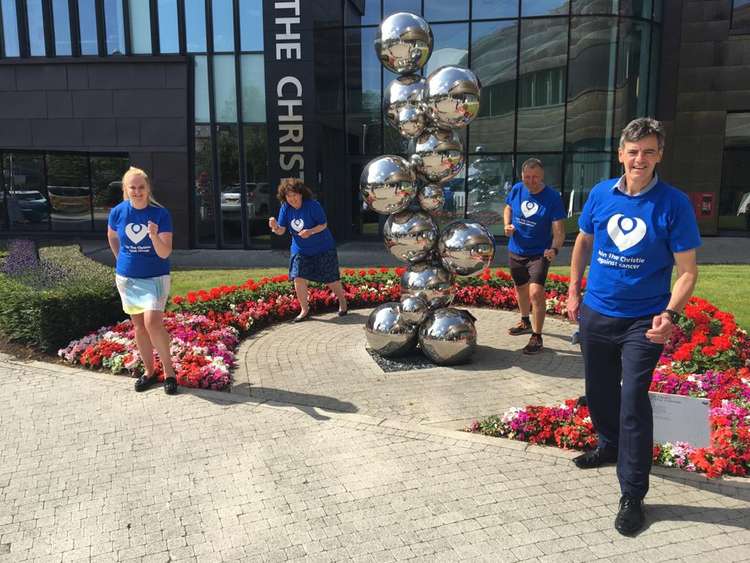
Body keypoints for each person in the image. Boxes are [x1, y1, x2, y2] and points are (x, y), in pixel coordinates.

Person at [566, 117, 700, 536]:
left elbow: (688, 272)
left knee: (633, 402)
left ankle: (633, 493)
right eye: (633, 151)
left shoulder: (674, 204)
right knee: (600, 391)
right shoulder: (601, 194)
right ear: (620, 154)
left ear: (659, 155)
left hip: (644, 321)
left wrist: (671, 313)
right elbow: (584, 241)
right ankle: (608, 446)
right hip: (597, 311)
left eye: (648, 151)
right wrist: (573, 292)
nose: (639, 159)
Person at [107, 167, 178, 395]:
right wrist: (122, 261)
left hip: (155, 277)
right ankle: (149, 371)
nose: (137, 191)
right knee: (138, 326)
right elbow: (112, 237)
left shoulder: (160, 214)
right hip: (127, 279)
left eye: (141, 187)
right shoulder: (118, 212)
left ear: (148, 189)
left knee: (152, 323)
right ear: (126, 190)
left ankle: (169, 371)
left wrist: (154, 235)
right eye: (132, 187)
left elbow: (165, 252)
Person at [503, 158, 566, 354]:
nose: (531, 181)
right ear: (522, 176)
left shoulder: (552, 197)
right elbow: (508, 208)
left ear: (542, 176)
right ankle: (524, 321)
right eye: (527, 177)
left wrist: (554, 249)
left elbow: (559, 231)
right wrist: (507, 225)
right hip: (516, 249)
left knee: (536, 292)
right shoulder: (517, 189)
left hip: (539, 253)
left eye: (535, 177)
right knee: (520, 288)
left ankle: (537, 337)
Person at [268, 178, 348, 322]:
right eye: (288, 196)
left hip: (323, 247)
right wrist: (275, 227)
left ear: (301, 194)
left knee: (331, 279)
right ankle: (304, 310)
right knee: (298, 278)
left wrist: (310, 231)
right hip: (300, 249)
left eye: (294, 195)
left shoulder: (313, 205)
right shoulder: (285, 208)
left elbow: (323, 224)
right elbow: (281, 231)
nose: (292, 199)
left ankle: (342, 302)